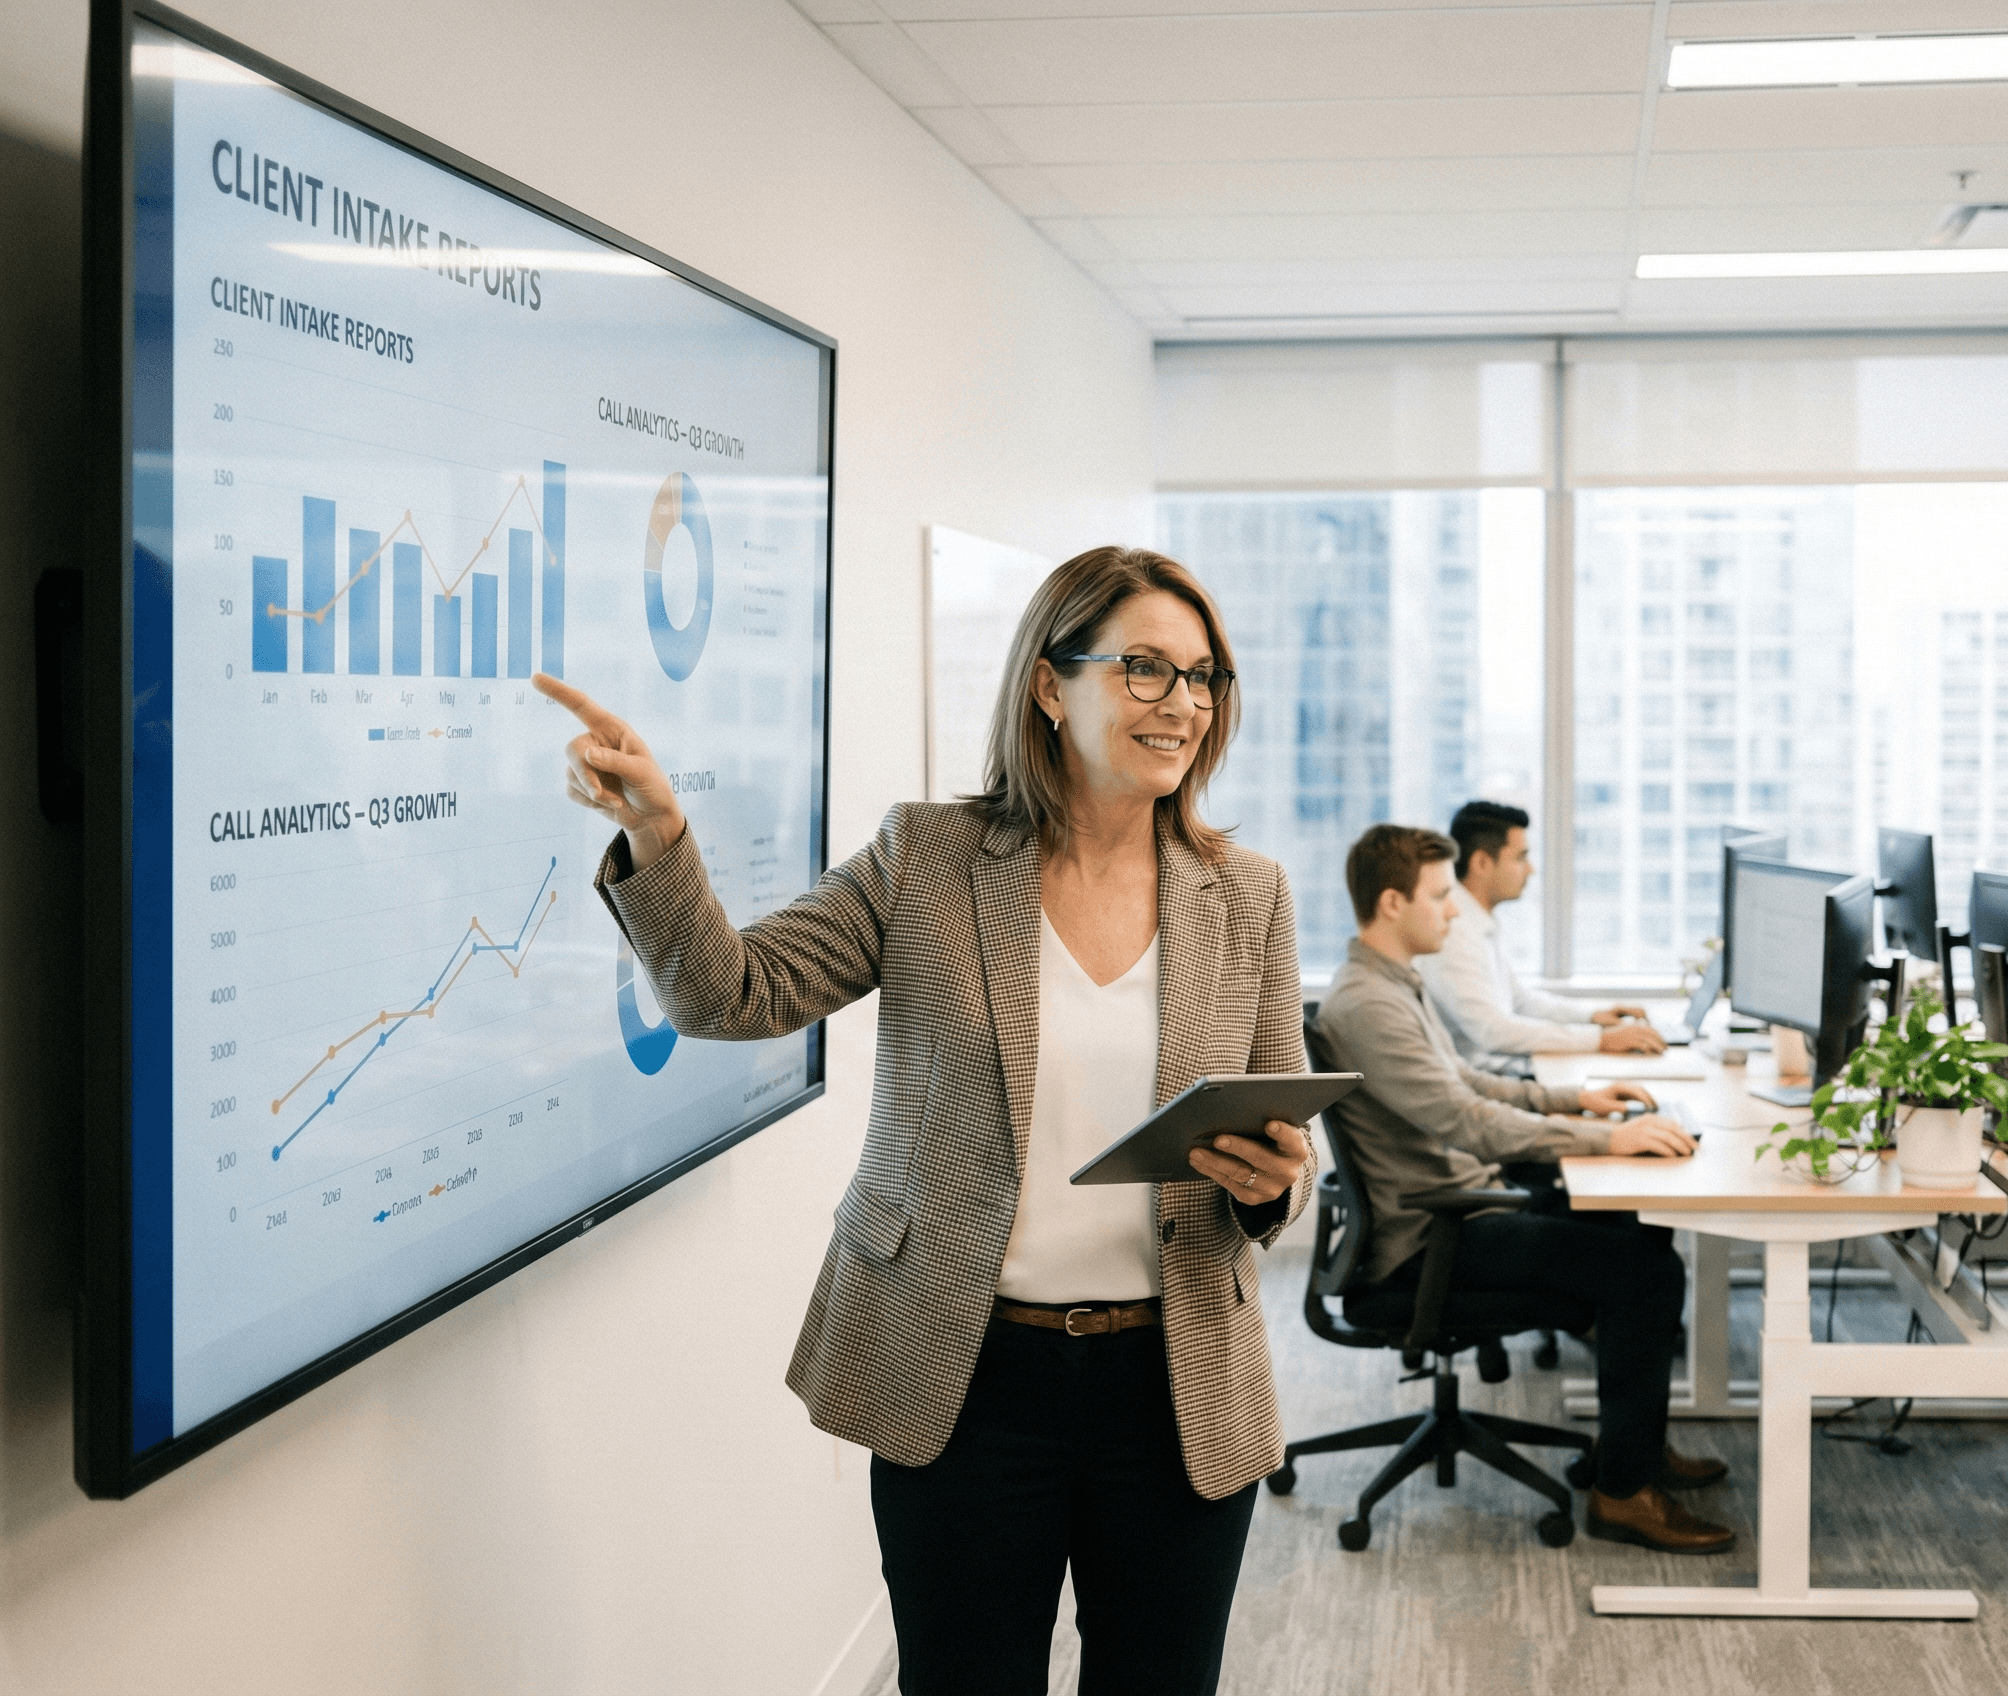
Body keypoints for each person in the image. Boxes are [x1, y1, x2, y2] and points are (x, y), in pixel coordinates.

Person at [534, 547, 1312, 1695]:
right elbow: (729, 994)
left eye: (1205, 678)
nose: (1183, 703)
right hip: (969, 1375)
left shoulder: (1245, 891)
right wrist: (658, 832)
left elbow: (1283, 1121)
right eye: (1146, 668)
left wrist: (1272, 1183)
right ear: (1050, 684)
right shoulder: (930, 858)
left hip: (1176, 1377)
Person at [1312, 823, 1737, 1553]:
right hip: (1429, 1240)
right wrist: (1609, 1139)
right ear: (1391, 903)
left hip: (1459, 1207)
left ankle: (1626, 1449)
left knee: (1635, 1226)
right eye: (1441, 897)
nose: (1454, 912)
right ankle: (1623, 1495)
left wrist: (1578, 1103)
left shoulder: (1391, 983)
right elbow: (1465, 1120)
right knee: (1645, 1272)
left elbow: (1469, 1083)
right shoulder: (1370, 1005)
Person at [1421, 800, 1666, 1074]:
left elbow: (1521, 1002)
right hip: (1492, 1079)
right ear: (1481, 863)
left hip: (1507, 1070)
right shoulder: (1453, 931)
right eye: (1520, 857)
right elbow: (1492, 1031)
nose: (1530, 870)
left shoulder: (1480, 922)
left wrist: (1594, 1016)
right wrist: (1600, 1039)